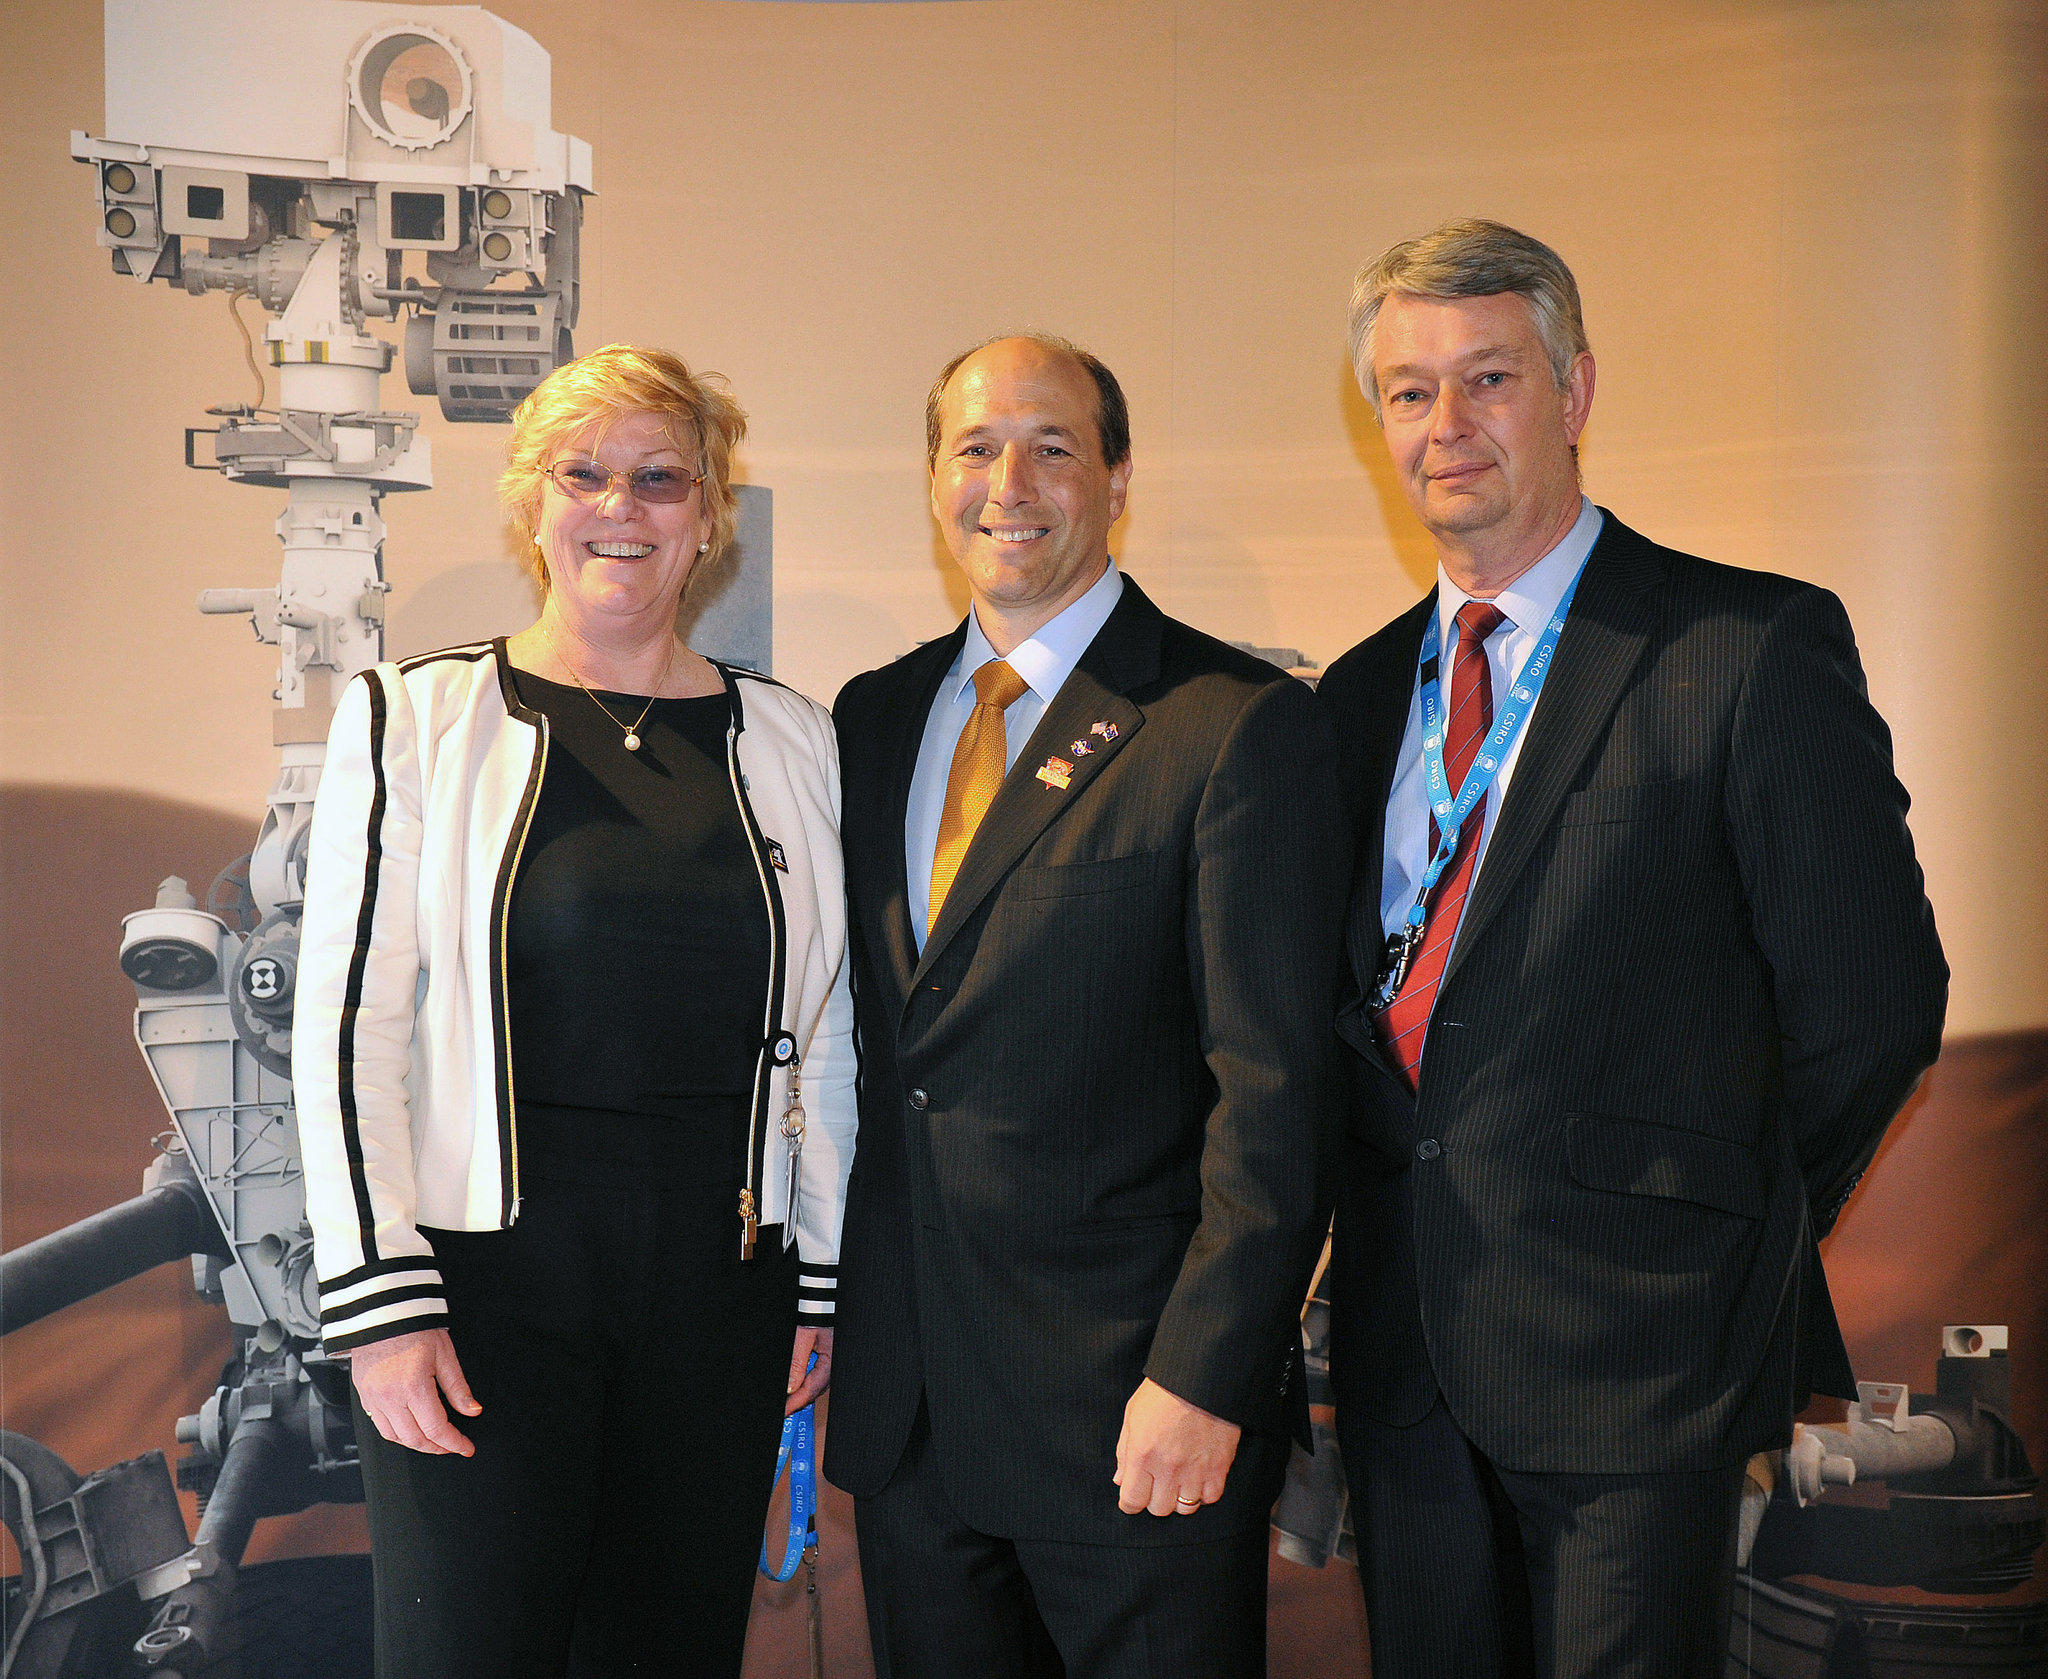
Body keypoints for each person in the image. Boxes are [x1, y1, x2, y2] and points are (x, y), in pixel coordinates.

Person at [1316, 219, 1949, 1677]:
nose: (1448, 426)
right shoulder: (1351, 703)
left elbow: (1874, 1001)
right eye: (1410, 394)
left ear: (1577, 390)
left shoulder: (1743, 646)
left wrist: (1715, 1228)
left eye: (1491, 378)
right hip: (1410, 1364)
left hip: (1642, 1364)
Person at [293, 344, 856, 1678]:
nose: (623, 507)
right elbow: (347, 1032)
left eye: (662, 479)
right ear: (530, 503)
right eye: (585, 473)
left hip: (719, 1299)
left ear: (710, 514)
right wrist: (383, 1306)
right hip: (483, 1302)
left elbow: (827, 1035)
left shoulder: (791, 740)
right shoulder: (415, 719)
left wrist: (817, 1281)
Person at [823, 334, 1346, 1677]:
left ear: (1117, 478)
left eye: (1054, 446)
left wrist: (1206, 1379)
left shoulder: (1226, 723)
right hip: (916, 1424)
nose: (1012, 481)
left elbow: (1276, 1100)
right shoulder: (870, 722)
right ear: (935, 479)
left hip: (1137, 1422)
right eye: (975, 448)